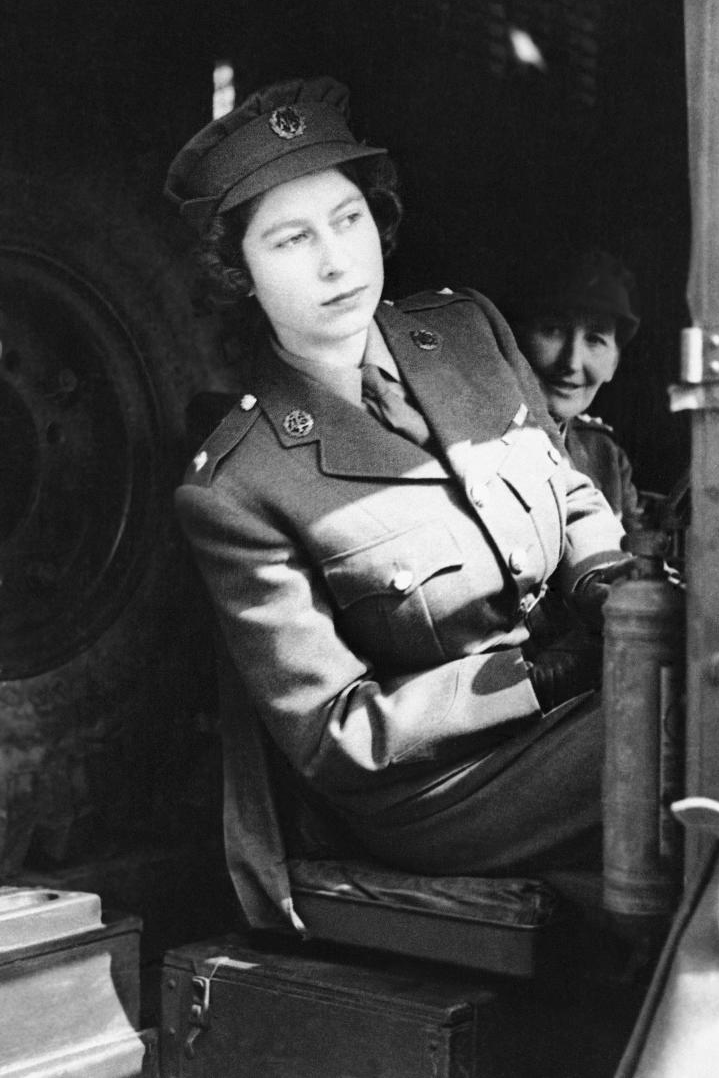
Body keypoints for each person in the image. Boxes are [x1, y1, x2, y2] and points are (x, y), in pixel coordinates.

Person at [164, 76, 634, 927]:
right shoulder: (235, 485)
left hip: (579, 706)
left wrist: (603, 578)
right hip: (445, 793)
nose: (336, 261)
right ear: (238, 273)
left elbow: (565, 488)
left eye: (348, 221)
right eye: (290, 240)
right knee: (699, 723)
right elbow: (333, 735)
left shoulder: (467, 331)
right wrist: (535, 675)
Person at [509, 247, 648, 538]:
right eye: (553, 330)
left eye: (595, 339)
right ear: (516, 339)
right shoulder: (479, 444)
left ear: (614, 364)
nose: (571, 363)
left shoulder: (605, 457)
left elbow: (634, 561)